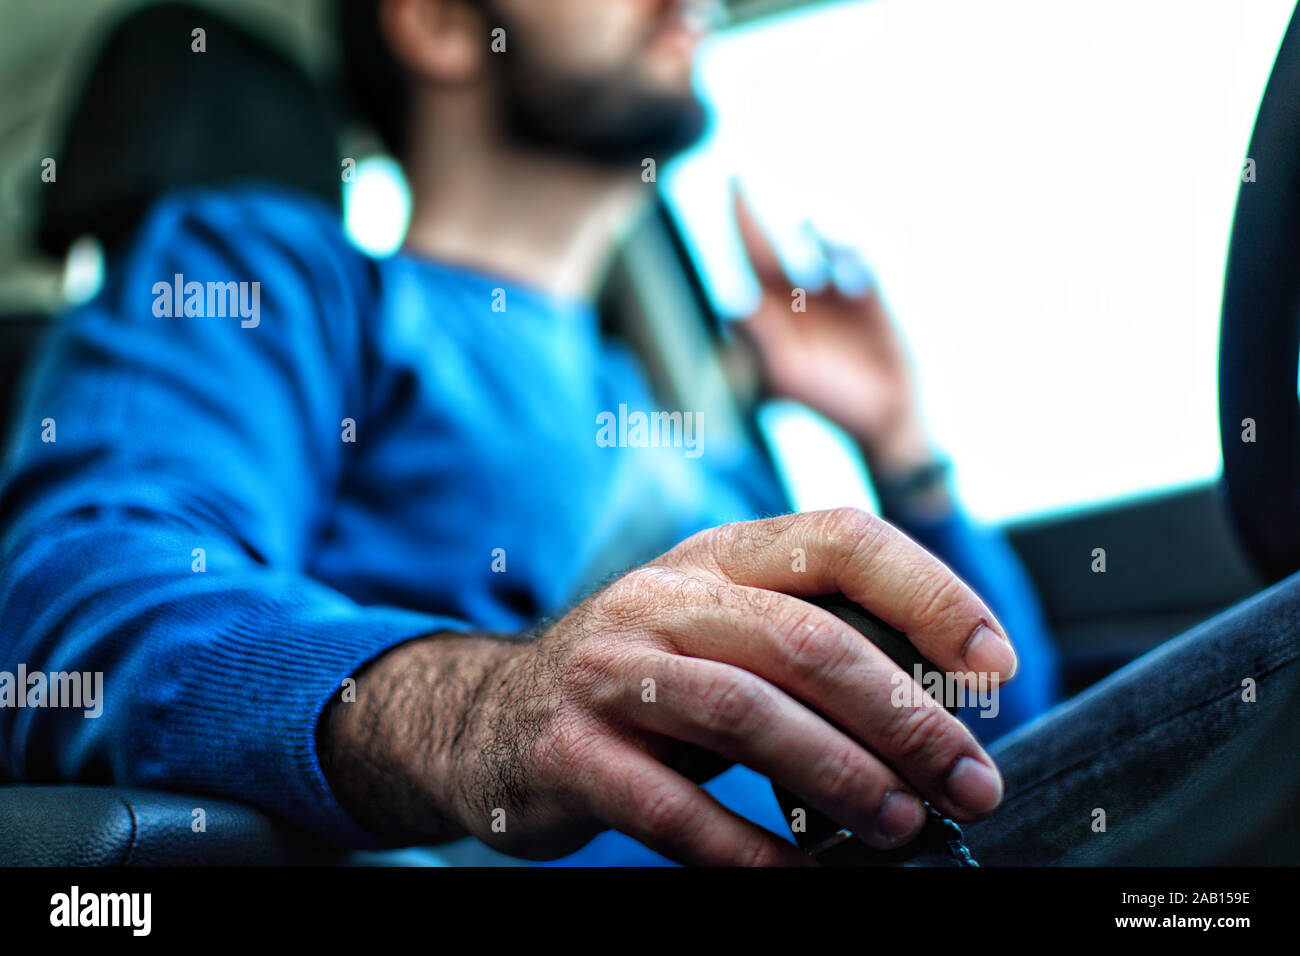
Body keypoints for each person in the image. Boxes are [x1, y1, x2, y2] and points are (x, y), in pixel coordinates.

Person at [0, 0, 1068, 866]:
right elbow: (91, 594)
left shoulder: (662, 409)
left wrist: (901, 444)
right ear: (442, 24)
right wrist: (473, 710)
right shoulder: (271, 275)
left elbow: (1004, 742)